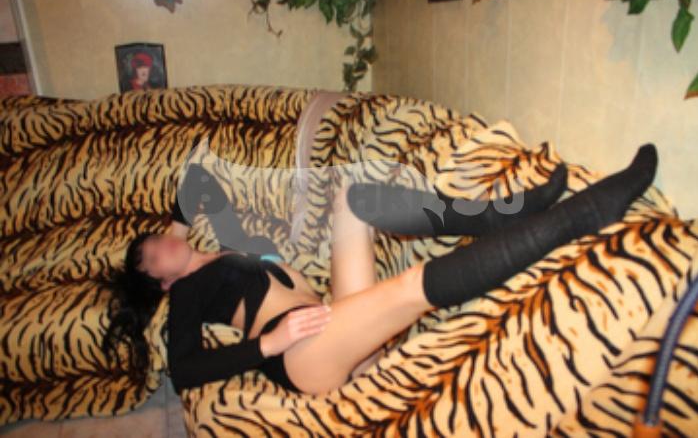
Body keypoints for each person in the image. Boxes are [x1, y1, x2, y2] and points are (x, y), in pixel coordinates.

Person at [101, 144, 658, 395]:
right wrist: (268, 345)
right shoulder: (186, 293)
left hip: (339, 321)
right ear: (161, 283)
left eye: (156, 241)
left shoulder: (230, 245)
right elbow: (184, 370)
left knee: (354, 198)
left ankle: (506, 212)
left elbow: (197, 179)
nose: (160, 245)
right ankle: (584, 215)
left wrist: (172, 238)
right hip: (304, 357)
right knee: (411, 287)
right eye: (151, 257)